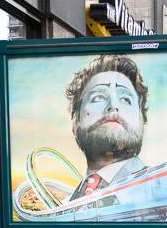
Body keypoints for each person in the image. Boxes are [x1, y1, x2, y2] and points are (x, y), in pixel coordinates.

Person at [64, 55, 149, 199]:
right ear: (75, 120)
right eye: (98, 97)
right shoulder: (68, 200)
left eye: (126, 99)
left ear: (141, 119)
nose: (113, 106)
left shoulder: (164, 188)